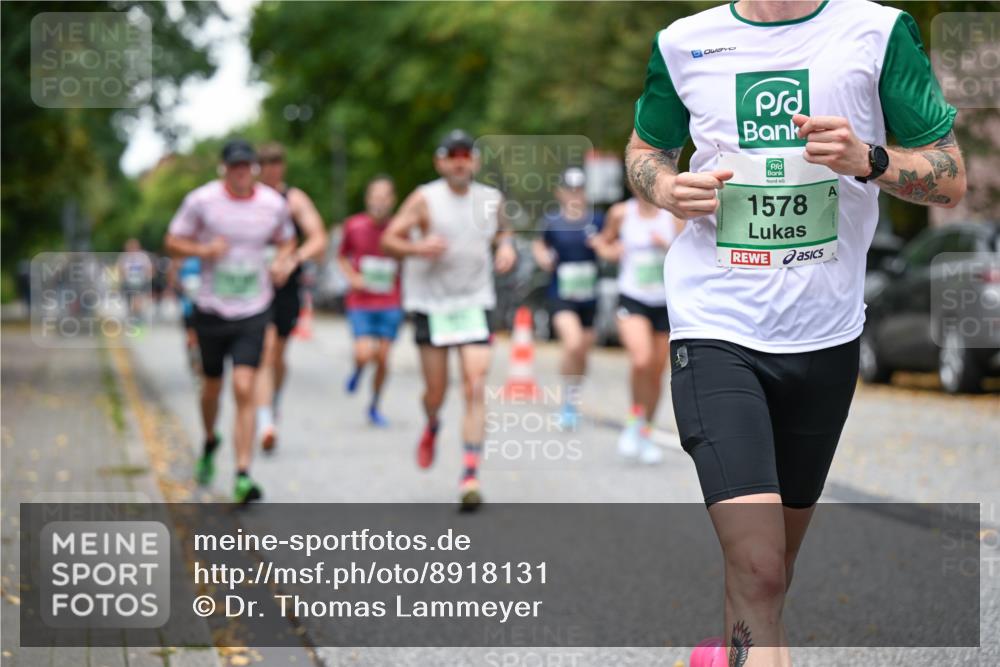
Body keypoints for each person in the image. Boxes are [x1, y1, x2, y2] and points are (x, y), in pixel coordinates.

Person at [626, 1, 966, 664]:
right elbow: (647, 150)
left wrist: (870, 159)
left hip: (825, 334)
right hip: (717, 323)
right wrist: (666, 188)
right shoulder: (684, 43)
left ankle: (722, 654)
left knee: (771, 569)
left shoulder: (876, 32)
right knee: (759, 567)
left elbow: (949, 177)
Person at [381, 129, 517, 510]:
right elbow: (389, 239)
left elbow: (504, 232)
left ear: (474, 161)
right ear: (440, 162)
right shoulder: (424, 199)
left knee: (475, 384)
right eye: (452, 155)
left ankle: (469, 473)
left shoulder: (490, 200)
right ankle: (433, 422)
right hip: (432, 305)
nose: (460, 161)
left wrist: (505, 247)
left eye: (466, 154)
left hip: (474, 301)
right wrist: (416, 246)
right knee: (436, 392)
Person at [164, 138, 298, 504]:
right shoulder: (202, 201)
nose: (241, 173)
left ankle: (242, 474)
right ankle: (210, 441)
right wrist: (204, 250)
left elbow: (288, 240)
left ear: (254, 168)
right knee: (211, 389)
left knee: (244, 386)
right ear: (223, 168)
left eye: (246, 166)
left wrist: (284, 261)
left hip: (255, 308)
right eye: (234, 166)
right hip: (210, 308)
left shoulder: (272, 204)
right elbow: (172, 241)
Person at [591, 193, 681, 465]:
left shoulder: (673, 213)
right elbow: (603, 243)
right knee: (641, 359)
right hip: (632, 297)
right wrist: (611, 251)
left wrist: (665, 245)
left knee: (656, 372)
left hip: (664, 301)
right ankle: (634, 419)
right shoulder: (621, 213)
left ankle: (645, 431)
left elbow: (685, 252)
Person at [253, 142, 328, 452]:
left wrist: (293, 259)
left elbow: (319, 238)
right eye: (267, 163)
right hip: (254, 287)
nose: (273, 169)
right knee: (264, 351)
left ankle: (274, 400)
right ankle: (265, 420)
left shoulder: (293, 199)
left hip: (286, 286)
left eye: (278, 163)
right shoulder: (250, 199)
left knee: (278, 355)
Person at [531, 167, 603, 429]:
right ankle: (567, 403)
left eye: (579, 190)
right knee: (572, 344)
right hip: (561, 295)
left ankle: (573, 397)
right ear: (559, 193)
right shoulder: (552, 222)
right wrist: (543, 257)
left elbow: (611, 243)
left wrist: (603, 247)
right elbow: (539, 244)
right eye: (569, 190)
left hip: (589, 297)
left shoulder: (597, 220)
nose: (575, 195)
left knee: (582, 352)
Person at [337, 175, 403, 427]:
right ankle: (358, 369)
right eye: (375, 196)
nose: (380, 202)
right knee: (364, 353)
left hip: (390, 300)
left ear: (392, 200)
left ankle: (375, 404)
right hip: (361, 301)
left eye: (385, 197)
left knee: (384, 358)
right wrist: (352, 277)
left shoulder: (400, 229)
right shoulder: (353, 226)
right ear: (368, 199)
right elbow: (342, 257)